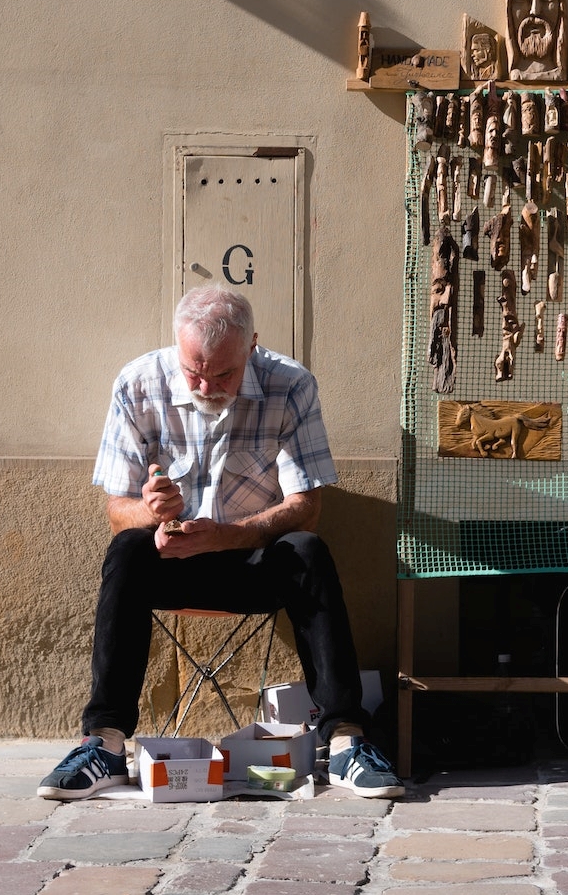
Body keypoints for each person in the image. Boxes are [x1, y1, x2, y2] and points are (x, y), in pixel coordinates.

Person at [37, 286, 404, 801]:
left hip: (251, 561)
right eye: (194, 371)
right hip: (172, 559)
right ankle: (104, 741)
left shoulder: (291, 384)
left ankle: (344, 741)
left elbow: (307, 507)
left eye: (224, 374)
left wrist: (230, 535)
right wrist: (151, 513)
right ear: (176, 347)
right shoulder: (138, 383)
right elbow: (116, 512)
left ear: (252, 346)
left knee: (307, 550)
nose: (207, 385)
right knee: (126, 551)